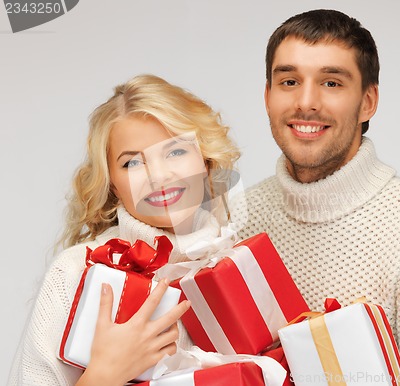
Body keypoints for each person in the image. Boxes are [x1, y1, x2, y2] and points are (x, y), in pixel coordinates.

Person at [232, 9, 400, 385]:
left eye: (331, 83)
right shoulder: (234, 220)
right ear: (267, 96)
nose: (306, 102)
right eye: (289, 81)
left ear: (368, 102)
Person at [8, 74, 240, 386]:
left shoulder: (238, 263)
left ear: (206, 161)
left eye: (175, 151)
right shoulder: (76, 271)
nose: (159, 176)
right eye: (132, 163)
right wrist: (105, 374)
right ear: (113, 184)